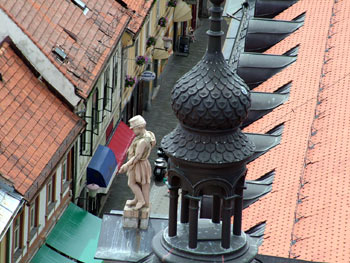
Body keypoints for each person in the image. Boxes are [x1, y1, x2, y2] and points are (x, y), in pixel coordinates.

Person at [119, 115, 156, 210]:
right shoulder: (149, 134)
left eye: (133, 128)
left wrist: (126, 165)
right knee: (138, 183)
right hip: (140, 163)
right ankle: (137, 199)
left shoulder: (142, 141)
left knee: (131, 183)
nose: (132, 130)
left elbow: (137, 157)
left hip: (138, 164)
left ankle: (141, 200)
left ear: (139, 127)